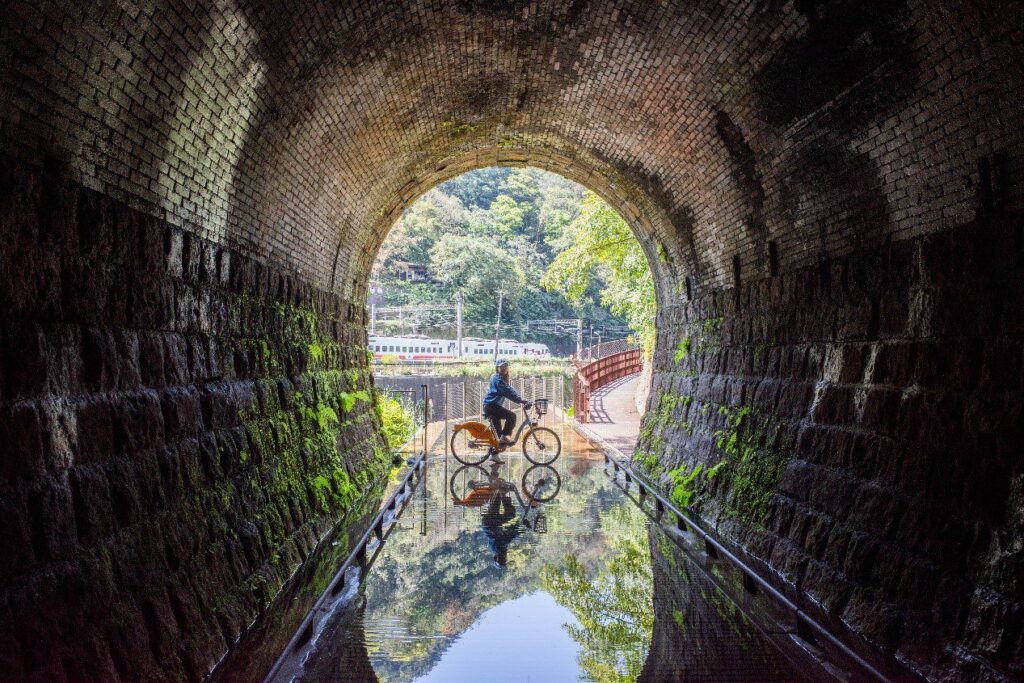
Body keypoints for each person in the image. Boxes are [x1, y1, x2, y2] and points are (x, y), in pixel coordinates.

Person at [483, 359, 530, 446]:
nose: (504, 368)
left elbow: (510, 390)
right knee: (512, 416)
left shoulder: (501, 379)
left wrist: (521, 399)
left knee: (498, 436)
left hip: (491, 406)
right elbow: (508, 392)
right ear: (497, 368)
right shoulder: (498, 380)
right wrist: (522, 400)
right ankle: (504, 437)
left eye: (505, 366)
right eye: (501, 367)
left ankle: (494, 455)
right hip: (491, 407)